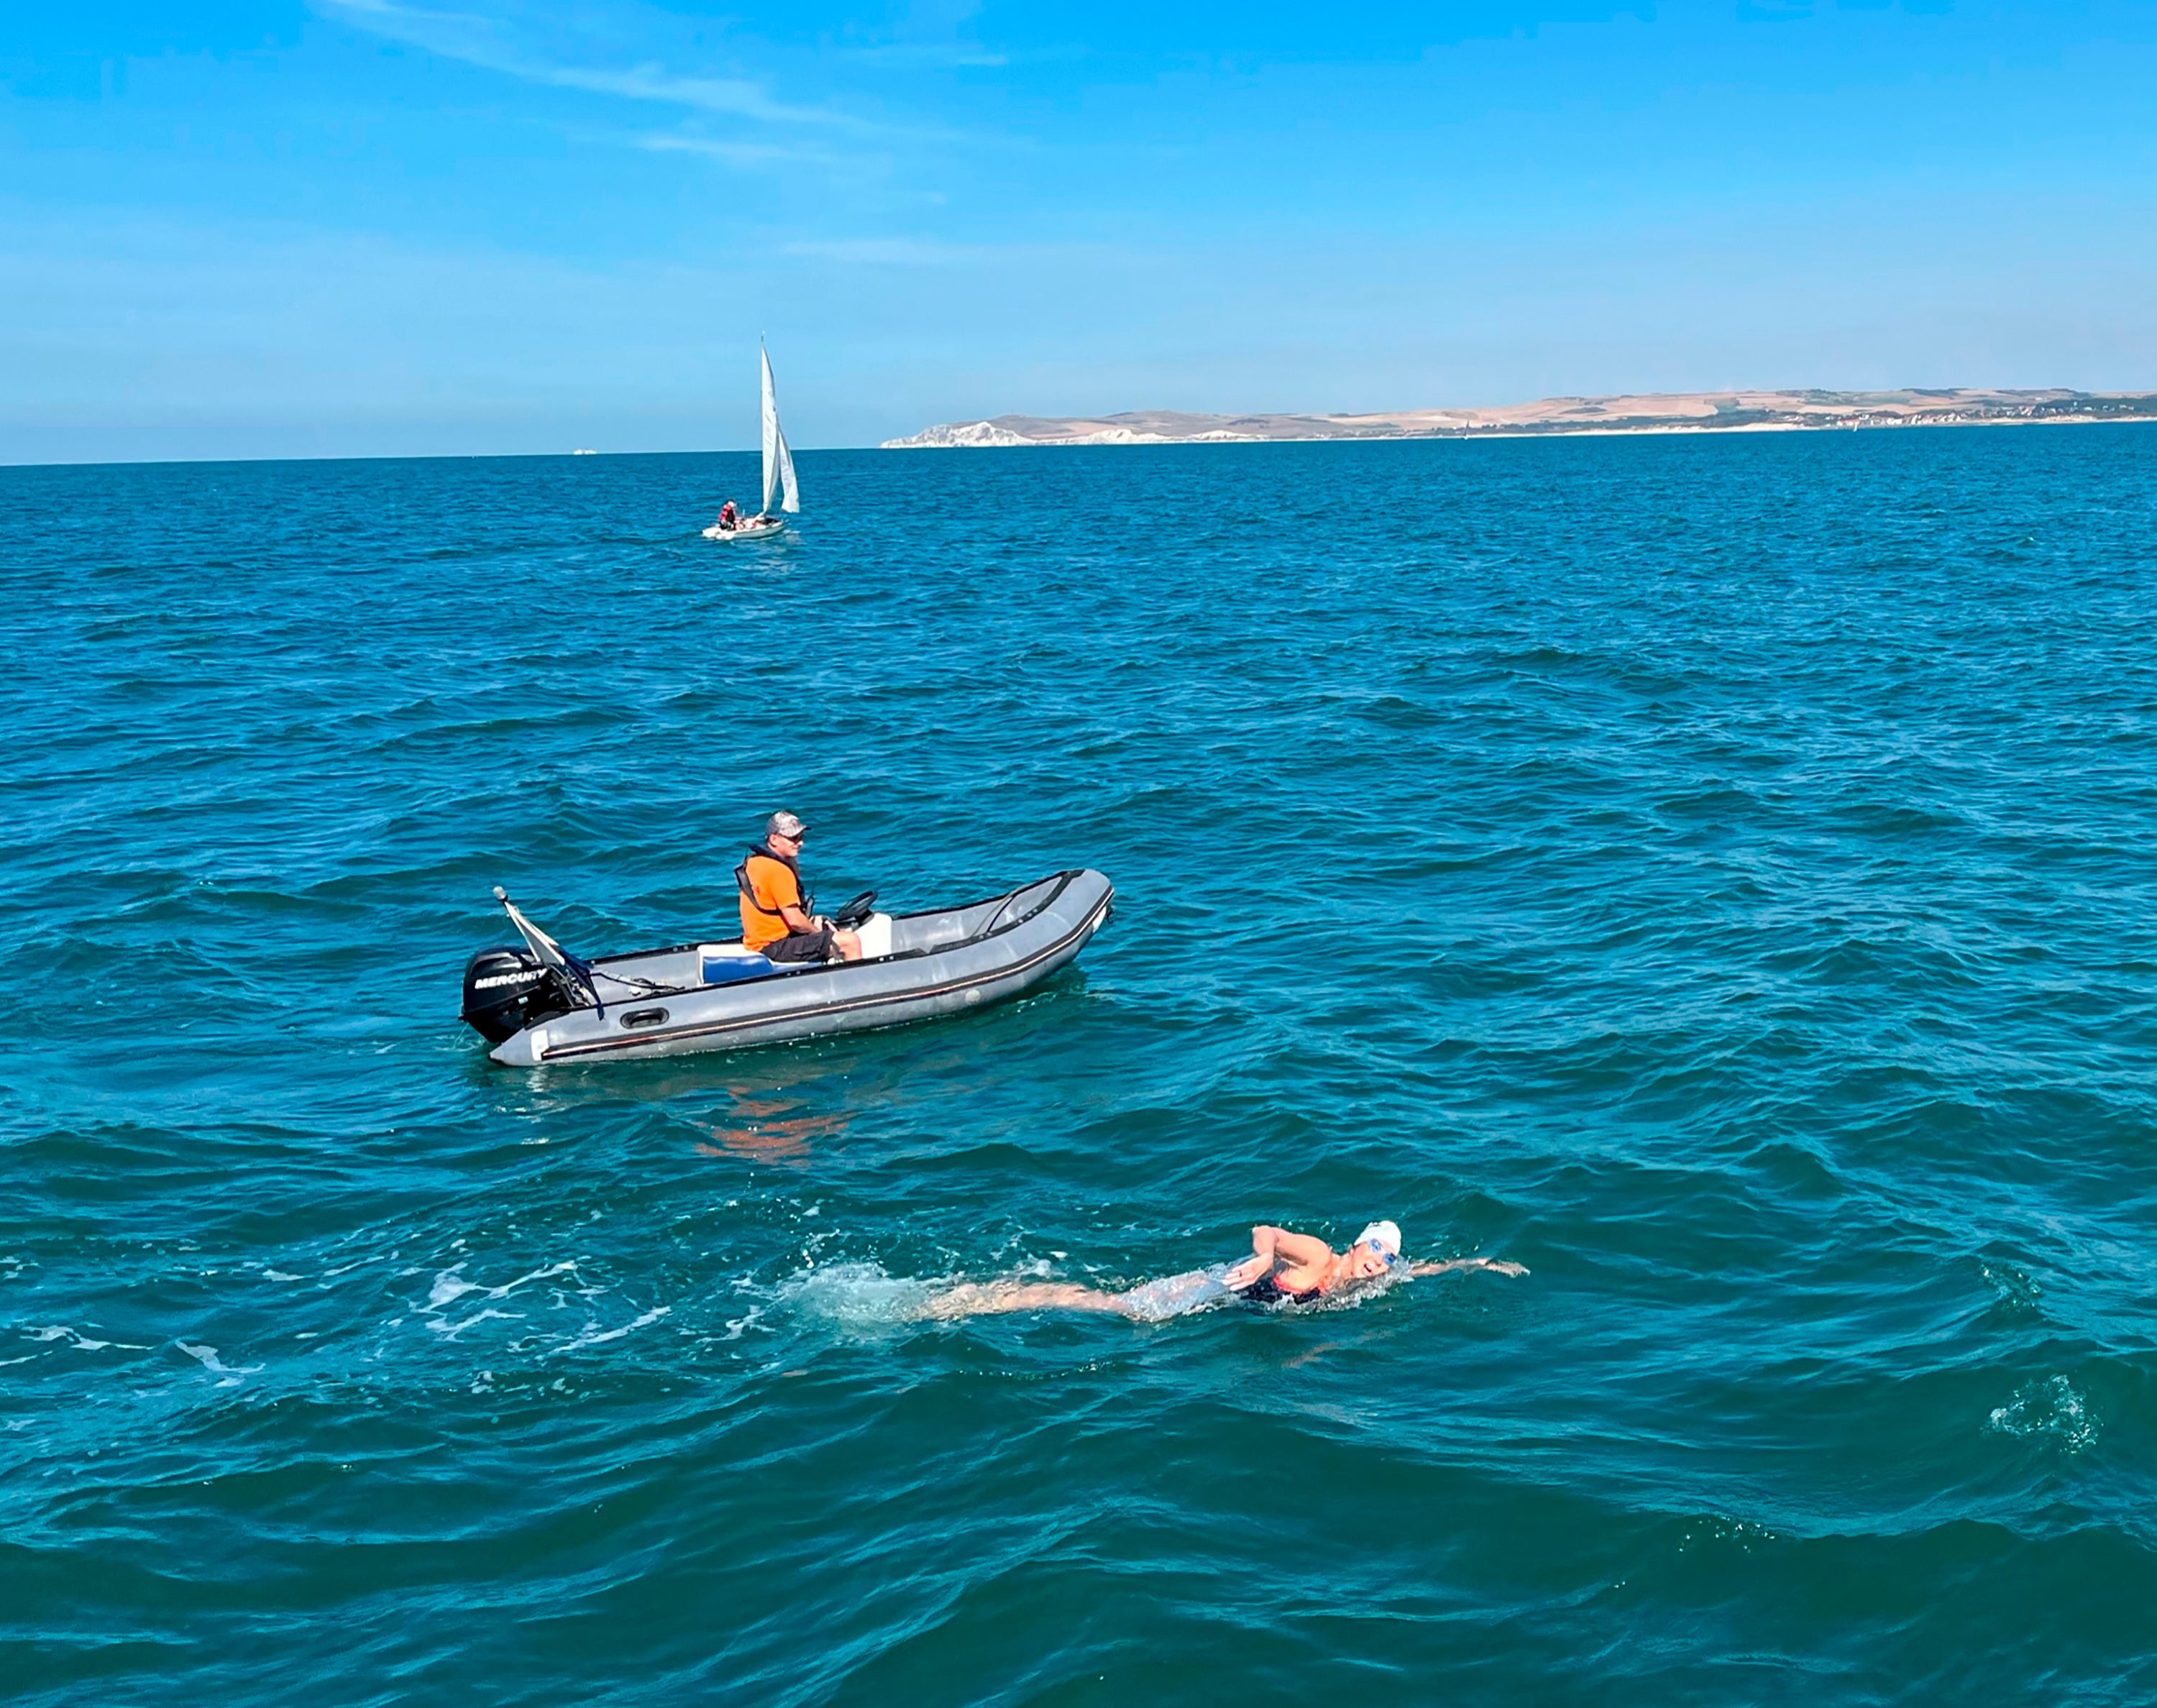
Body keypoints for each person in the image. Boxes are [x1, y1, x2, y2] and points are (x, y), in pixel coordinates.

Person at [920, 1221, 1526, 1322]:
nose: (1381, 1263)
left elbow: (1428, 1269)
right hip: (1225, 1283)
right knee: (1119, 1308)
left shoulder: (1371, 1282)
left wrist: (1482, 1262)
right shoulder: (1320, 1256)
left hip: (1236, 1307)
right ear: (1358, 1242)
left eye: (1389, 1259)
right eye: (1376, 1250)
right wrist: (1265, 1256)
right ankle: (988, 1297)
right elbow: (1267, 1230)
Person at [738, 810, 861, 963]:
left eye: (801, 838)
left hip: (759, 941)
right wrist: (817, 934)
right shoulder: (778, 871)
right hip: (775, 946)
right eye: (793, 839)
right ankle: (857, 983)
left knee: (821, 922)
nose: (800, 843)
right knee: (850, 942)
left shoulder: (754, 862)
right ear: (774, 839)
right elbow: (795, 920)